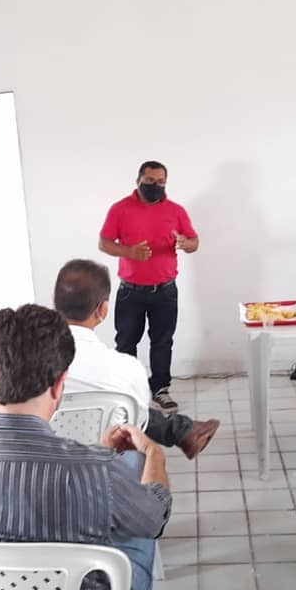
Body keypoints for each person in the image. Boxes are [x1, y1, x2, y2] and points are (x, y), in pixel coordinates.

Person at [0, 304, 171, 590]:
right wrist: (154, 454)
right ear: (59, 385)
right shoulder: (97, 470)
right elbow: (155, 519)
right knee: (137, 538)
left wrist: (99, 457)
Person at [53, 259, 220, 458]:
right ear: (102, 310)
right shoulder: (126, 368)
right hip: (108, 463)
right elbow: (140, 421)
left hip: (42, 460)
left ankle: (185, 431)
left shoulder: (28, 359)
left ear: (54, 301)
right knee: (133, 417)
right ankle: (184, 431)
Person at [99, 161, 199, 414]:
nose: (155, 185)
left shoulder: (176, 210)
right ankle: (129, 391)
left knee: (163, 342)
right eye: (150, 180)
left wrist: (185, 243)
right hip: (130, 291)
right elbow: (104, 243)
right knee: (125, 343)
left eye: (161, 182)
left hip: (165, 291)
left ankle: (160, 389)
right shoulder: (120, 209)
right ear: (138, 180)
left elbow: (194, 242)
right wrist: (128, 251)